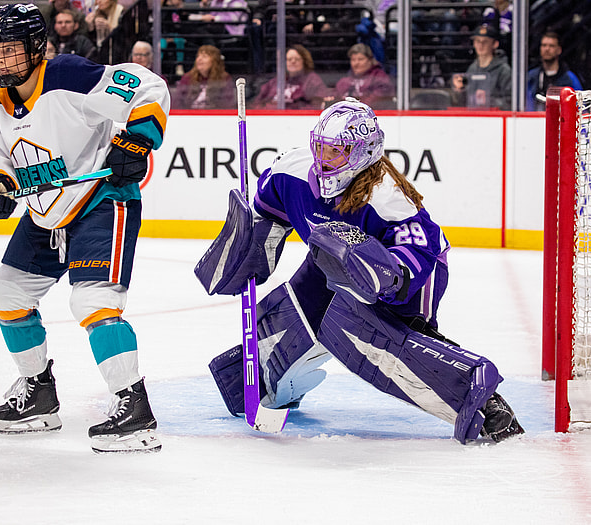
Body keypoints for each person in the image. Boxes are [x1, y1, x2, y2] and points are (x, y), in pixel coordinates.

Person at [195, 98, 524, 444]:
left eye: (336, 151)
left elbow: (418, 252)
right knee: (288, 322)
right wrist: (250, 247)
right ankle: (271, 385)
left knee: (372, 340)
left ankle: (484, 403)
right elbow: (268, 214)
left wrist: (385, 278)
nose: (324, 159)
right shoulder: (290, 171)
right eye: (320, 148)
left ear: (362, 153)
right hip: (331, 263)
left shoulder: (386, 197)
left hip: (416, 276)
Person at [0, 3, 170, 453]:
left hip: (102, 201)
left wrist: (137, 139)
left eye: (11, 50)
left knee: (93, 300)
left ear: (36, 47)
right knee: (6, 293)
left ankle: (133, 406)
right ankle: (38, 393)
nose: (2, 60)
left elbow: (148, 87)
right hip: (45, 213)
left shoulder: (68, 76)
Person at [450, 23, 512, 110]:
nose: (480, 45)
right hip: (475, 118)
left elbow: (511, 102)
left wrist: (489, 101)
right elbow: (465, 102)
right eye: (477, 41)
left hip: (495, 119)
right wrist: (460, 90)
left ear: (495, 44)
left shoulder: (503, 70)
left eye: (485, 41)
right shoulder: (472, 69)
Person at [252, 44, 332, 109]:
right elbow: (257, 102)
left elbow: (317, 105)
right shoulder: (277, 81)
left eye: (297, 59)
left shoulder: (312, 80)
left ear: (304, 61)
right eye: (289, 59)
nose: (293, 62)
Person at [526, 31, 582, 111]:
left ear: (559, 50)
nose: (547, 49)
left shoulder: (570, 79)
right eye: (544, 45)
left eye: (551, 46)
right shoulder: (531, 77)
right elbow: (526, 105)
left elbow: (580, 108)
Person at [332, 43, 394, 110]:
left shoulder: (380, 78)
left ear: (370, 60)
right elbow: (336, 100)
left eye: (360, 59)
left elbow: (373, 103)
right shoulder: (344, 81)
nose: (356, 63)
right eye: (353, 60)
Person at [173, 45, 235, 109]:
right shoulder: (187, 77)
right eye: (198, 56)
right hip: (189, 116)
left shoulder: (224, 78)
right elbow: (177, 102)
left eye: (204, 56)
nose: (199, 59)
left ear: (214, 61)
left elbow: (227, 104)